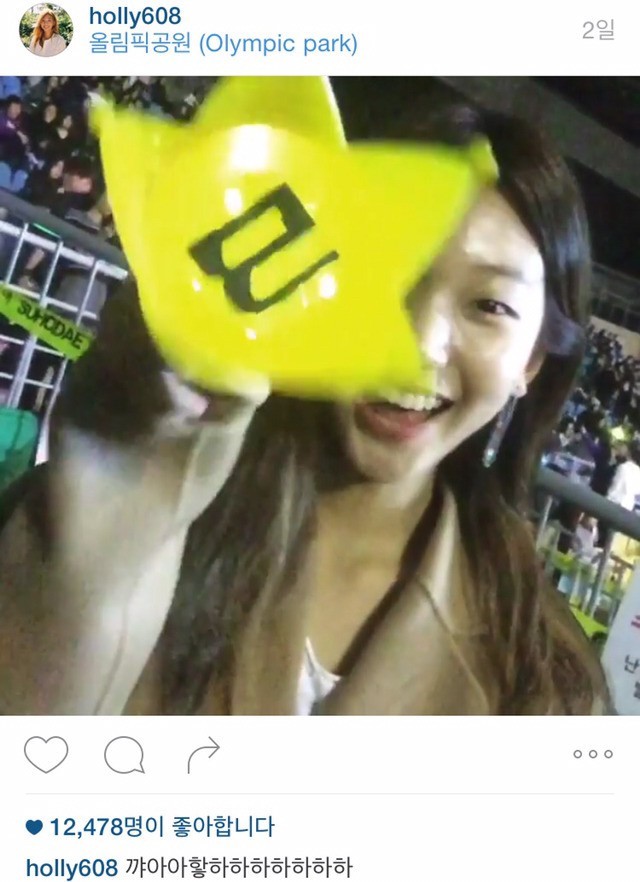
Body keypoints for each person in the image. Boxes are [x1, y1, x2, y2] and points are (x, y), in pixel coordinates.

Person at [0, 104, 609, 715]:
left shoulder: (549, 679)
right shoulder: (115, 500)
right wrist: (105, 522)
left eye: (490, 306)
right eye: (388, 272)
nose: (421, 343)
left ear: (533, 362)